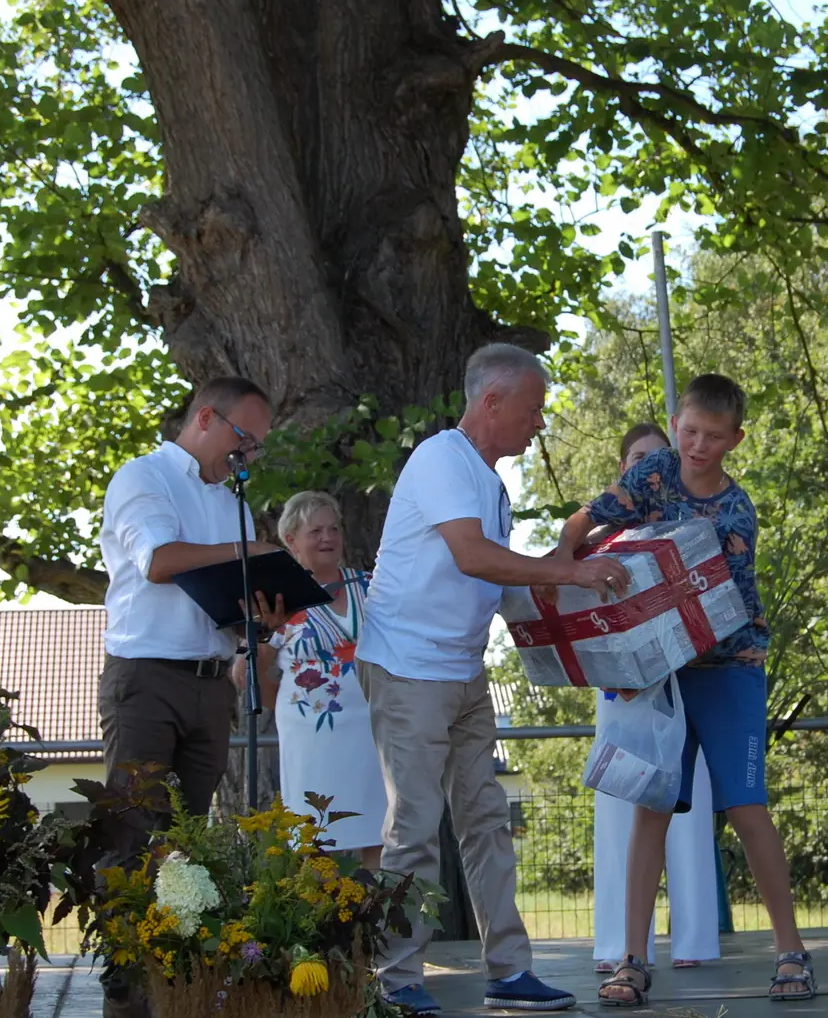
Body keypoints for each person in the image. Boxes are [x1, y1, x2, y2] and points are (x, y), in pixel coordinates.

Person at [354, 342, 631, 1016]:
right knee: (415, 827)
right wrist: (567, 571)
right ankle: (396, 979)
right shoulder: (441, 459)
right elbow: (473, 557)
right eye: (533, 409)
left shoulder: (492, 484)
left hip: (463, 671)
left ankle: (510, 970)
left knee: (486, 821)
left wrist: (562, 579)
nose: (540, 423)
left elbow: (497, 583)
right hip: (407, 669)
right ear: (492, 401)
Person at [552, 374, 817, 1007]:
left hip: (728, 670)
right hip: (662, 674)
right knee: (651, 807)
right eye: (691, 431)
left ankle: (791, 952)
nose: (699, 446)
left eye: (714, 437)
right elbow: (583, 522)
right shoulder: (653, 474)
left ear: (736, 440)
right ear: (675, 424)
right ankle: (632, 961)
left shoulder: (736, 512)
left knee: (746, 808)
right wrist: (565, 567)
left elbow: (720, 610)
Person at [97, 376, 289, 1017]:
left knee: (188, 845)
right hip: (146, 679)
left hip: (211, 682)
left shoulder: (232, 504)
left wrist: (262, 618)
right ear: (205, 417)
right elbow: (157, 561)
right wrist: (247, 551)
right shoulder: (143, 477)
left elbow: (224, 604)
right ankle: (126, 994)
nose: (248, 457)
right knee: (134, 836)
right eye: (244, 440)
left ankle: (176, 982)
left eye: (256, 447)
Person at [591, 423, 721, 973]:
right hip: (619, 691)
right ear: (623, 469)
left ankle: (694, 940)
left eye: (656, 458)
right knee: (619, 812)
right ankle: (616, 944)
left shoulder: (688, 530)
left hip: (686, 685)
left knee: (687, 811)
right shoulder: (597, 541)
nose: (647, 467)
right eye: (637, 459)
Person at [233, 490, 385, 868]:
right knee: (316, 839)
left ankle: (382, 906)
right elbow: (245, 674)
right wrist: (294, 706)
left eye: (334, 529)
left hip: (376, 733)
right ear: (291, 540)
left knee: (382, 832)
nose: (327, 538)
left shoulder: (372, 587)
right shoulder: (278, 600)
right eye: (315, 531)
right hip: (312, 740)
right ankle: (324, 908)